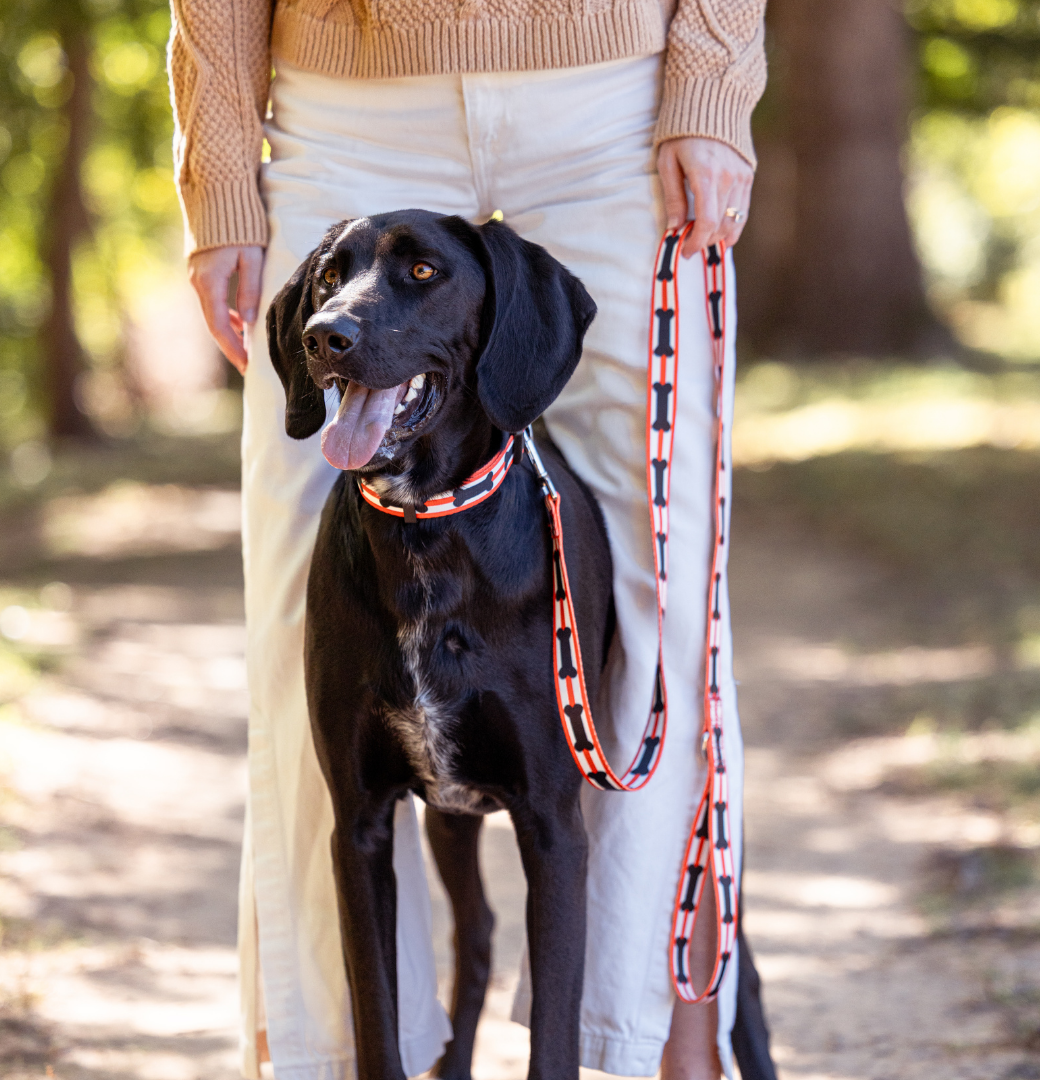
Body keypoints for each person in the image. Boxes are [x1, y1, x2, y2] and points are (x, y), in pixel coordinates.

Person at [168, 3, 766, 1078]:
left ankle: (640, 1044)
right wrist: (217, 174)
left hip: (611, 92)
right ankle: (338, 1055)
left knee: (662, 589)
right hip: (346, 97)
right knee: (299, 604)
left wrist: (713, 82)